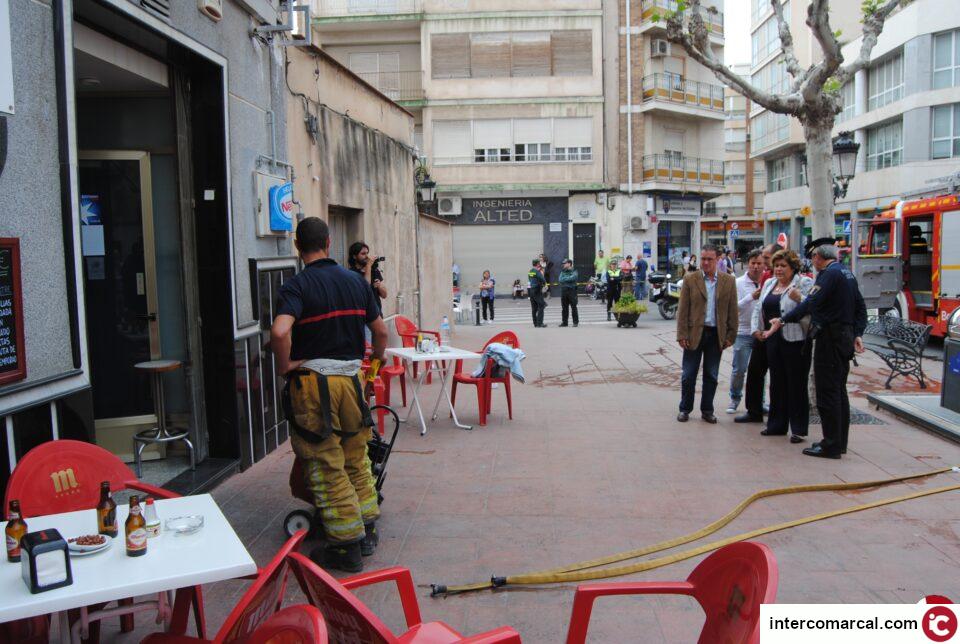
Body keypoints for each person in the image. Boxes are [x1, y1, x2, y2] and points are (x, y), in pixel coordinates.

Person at [272, 218, 387, 572]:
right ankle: (366, 527)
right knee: (355, 455)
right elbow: (381, 333)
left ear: (297, 246)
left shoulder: (296, 286)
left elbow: (279, 332)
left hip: (314, 386)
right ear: (329, 241)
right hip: (352, 381)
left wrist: (285, 365)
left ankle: (344, 547)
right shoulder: (356, 282)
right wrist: (372, 374)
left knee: (325, 463)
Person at [767, 240, 867, 458]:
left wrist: (783, 320)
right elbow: (860, 307)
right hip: (844, 336)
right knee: (839, 391)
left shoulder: (829, 275)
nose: (812, 262)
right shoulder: (846, 273)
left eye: (813, 257)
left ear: (819, 257)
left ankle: (830, 444)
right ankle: (839, 442)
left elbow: (811, 303)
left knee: (827, 392)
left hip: (830, 339)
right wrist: (857, 333)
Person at [754, 250, 813, 443]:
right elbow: (758, 307)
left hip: (795, 340)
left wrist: (800, 299)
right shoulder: (770, 283)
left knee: (796, 384)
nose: (778, 269)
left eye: (783, 266)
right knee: (777, 382)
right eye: (776, 265)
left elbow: (814, 306)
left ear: (793, 267)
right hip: (773, 339)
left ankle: (798, 429)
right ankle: (777, 425)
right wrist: (757, 329)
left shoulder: (803, 283)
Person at [676, 244, 738, 424]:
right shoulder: (691, 279)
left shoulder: (728, 281)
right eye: (703, 259)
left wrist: (730, 335)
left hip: (716, 334)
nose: (706, 262)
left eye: (710, 259)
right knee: (688, 374)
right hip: (694, 333)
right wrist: (682, 334)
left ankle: (707, 410)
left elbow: (732, 310)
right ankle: (685, 408)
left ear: (718, 259)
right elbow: (683, 309)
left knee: (711, 375)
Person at [735, 243, 782, 424]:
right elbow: (758, 307)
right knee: (754, 371)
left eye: (766, 257)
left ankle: (778, 414)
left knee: (778, 376)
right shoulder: (766, 278)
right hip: (761, 333)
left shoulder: (791, 278)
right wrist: (756, 329)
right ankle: (753, 410)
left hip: (779, 333)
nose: (762, 261)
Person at [727, 249, 765, 414]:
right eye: (753, 263)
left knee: (759, 371)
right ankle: (735, 397)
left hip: (762, 333)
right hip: (743, 332)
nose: (756, 267)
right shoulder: (738, 283)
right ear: (747, 264)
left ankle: (759, 402)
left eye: (759, 263)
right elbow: (732, 308)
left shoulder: (769, 282)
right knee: (739, 369)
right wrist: (751, 296)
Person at [348, 242, 386, 315]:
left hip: (377, 314)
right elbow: (366, 286)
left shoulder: (374, 270)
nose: (367, 256)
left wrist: (380, 286)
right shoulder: (351, 273)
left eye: (367, 253)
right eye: (363, 254)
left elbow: (384, 295)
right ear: (354, 256)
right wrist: (368, 265)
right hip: (363, 316)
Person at [558, 258, 579, 327]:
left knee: (573, 307)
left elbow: (573, 278)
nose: (563, 265)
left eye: (565, 263)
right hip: (564, 291)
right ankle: (565, 323)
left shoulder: (574, 271)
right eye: (563, 263)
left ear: (569, 264)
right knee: (564, 308)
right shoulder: (562, 271)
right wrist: (568, 278)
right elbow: (560, 279)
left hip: (572, 291)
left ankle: (575, 322)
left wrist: (565, 279)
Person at [528, 258, 548, 328]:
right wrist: (545, 284)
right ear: (537, 264)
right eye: (539, 263)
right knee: (541, 306)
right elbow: (542, 279)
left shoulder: (530, 271)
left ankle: (535, 323)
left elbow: (530, 279)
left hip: (531, 290)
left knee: (534, 308)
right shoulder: (537, 272)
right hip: (537, 290)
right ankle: (540, 323)